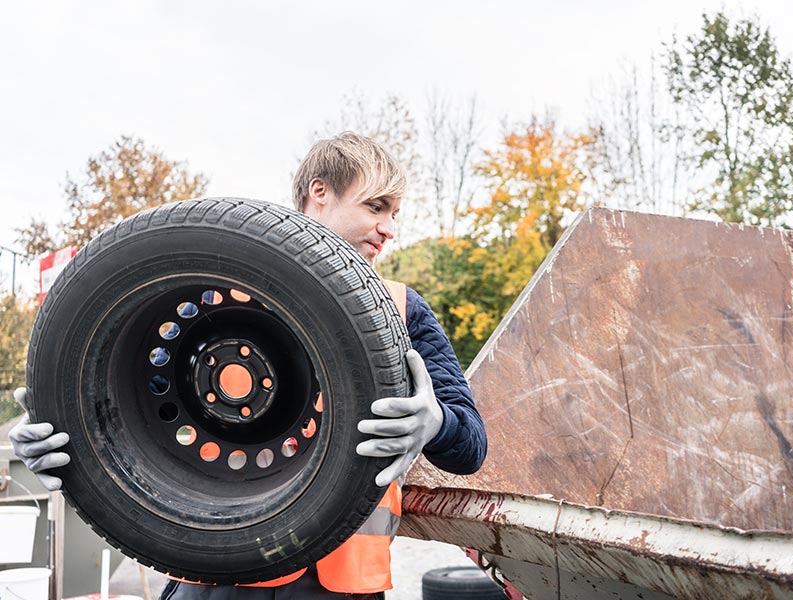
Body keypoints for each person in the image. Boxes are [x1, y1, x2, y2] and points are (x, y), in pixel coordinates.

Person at [9, 132, 487, 599]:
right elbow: (116, 400)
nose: (389, 228)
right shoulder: (209, 288)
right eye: (375, 207)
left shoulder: (401, 310)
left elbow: (470, 445)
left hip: (338, 586)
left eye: (394, 214)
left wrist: (436, 422)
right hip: (215, 578)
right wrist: (63, 432)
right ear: (320, 192)